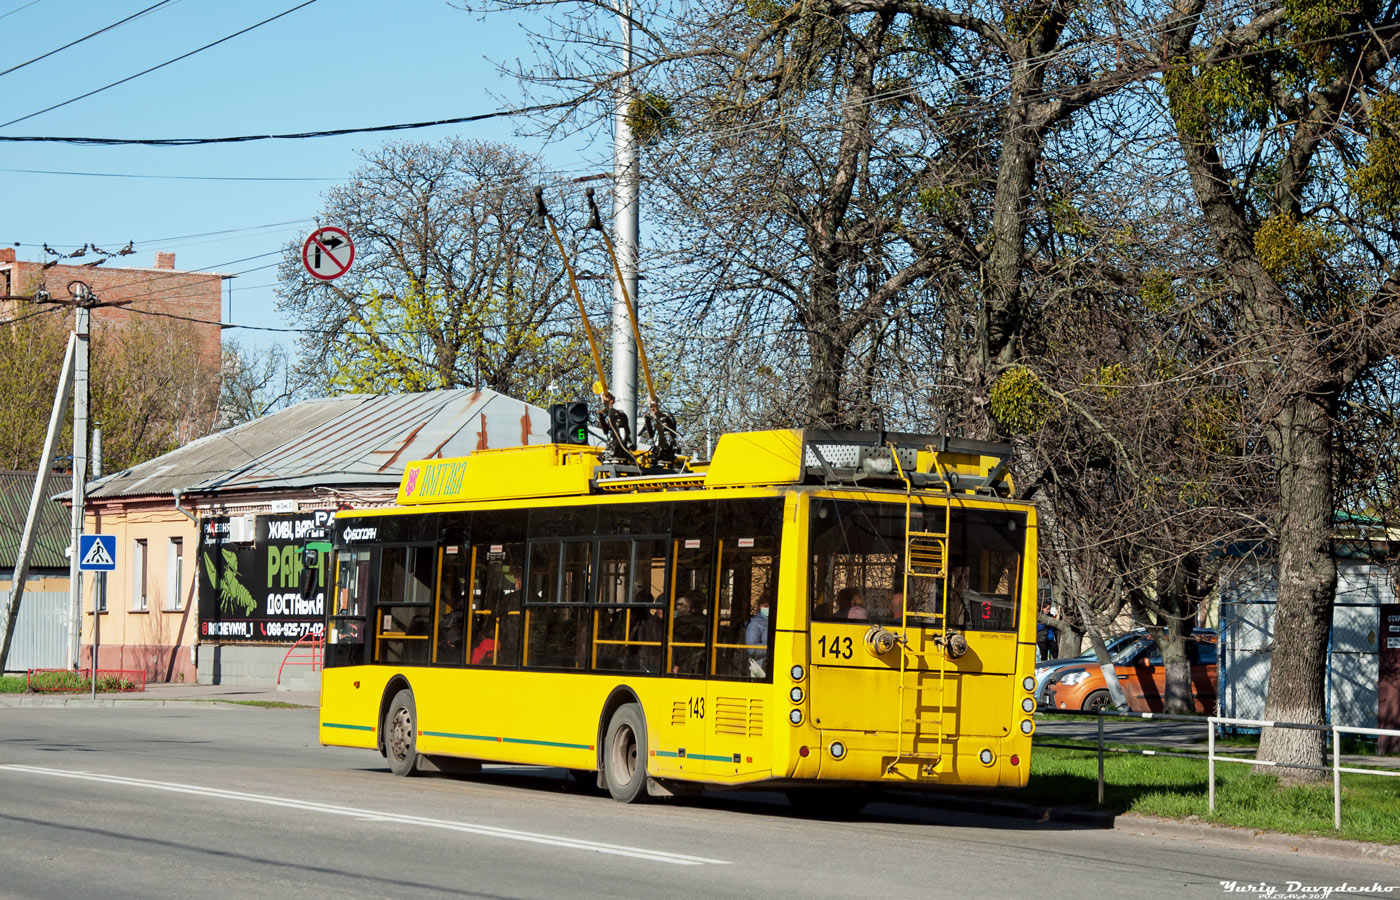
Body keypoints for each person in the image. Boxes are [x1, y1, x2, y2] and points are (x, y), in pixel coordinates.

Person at [744, 592, 771, 677]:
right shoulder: (755, 624)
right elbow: (751, 649)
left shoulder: (777, 623)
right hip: (761, 668)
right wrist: (771, 649)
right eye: (765, 606)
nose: (768, 609)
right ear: (759, 607)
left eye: (770, 606)